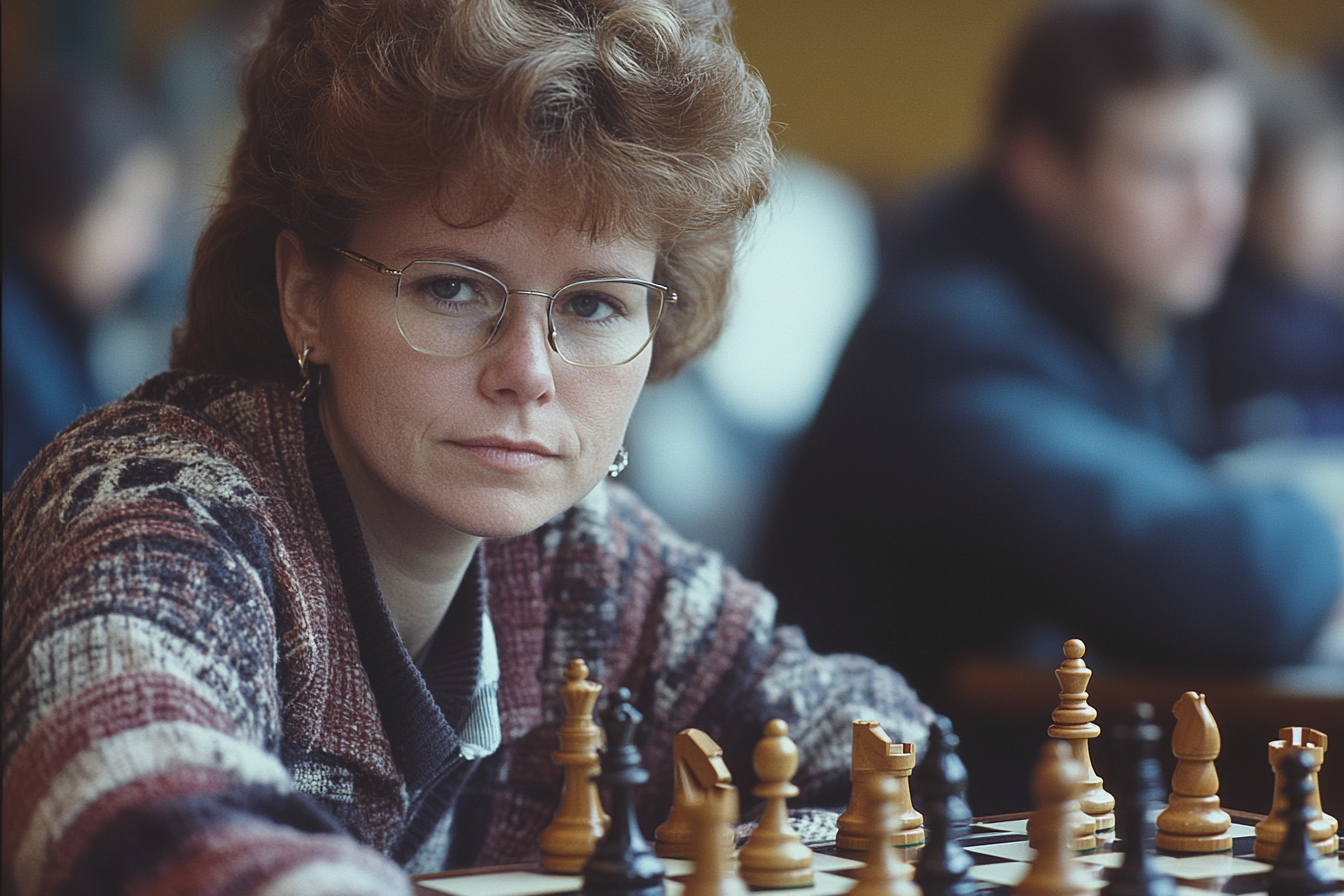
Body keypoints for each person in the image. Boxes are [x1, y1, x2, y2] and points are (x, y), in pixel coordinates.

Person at [0, 1, 935, 894]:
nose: (527, 371)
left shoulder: (593, 569)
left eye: (594, 303)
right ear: (306, 295)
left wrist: (728, 852)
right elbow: (137, 817)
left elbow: (893, 753)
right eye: (452, 288)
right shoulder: (153, 509)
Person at [758, 0, 1344, 708]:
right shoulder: (941, 349)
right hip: (867, 803)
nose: (1217, 208)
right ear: (1042, 171)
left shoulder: (1124, 308)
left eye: (1230, 165)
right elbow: (1238, 588)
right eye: (1168, 168)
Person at [2, 77, 178, 490]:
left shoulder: (61, 317)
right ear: (56, 194)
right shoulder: (15, 340)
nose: (146, 247)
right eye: (125, 208)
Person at [1203, 60, 1344, 446]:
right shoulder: (1227, 319)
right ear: (1255, 196)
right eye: (1317, 178)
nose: (1338, 207)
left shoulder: (1313, 303)